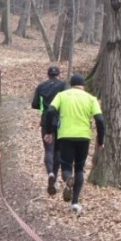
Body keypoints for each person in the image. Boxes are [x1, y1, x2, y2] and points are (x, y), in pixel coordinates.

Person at [43, 74, 104, 214]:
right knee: (79, 168)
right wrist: (100, 141)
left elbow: (50, 111)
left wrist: (48, 131)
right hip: (83, 137)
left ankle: (68, 180)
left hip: (65, 136)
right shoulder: (91, 98)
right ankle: (75, 203)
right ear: (83, 85)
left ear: (71, 85)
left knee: (66, 166)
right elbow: (100, 120)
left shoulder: (62, 95)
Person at [31, 65, 68, 195]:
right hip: (59, 120)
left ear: (48, 75)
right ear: (59, 74)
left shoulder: (41, 86)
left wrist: (44, 106)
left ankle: (50, 173)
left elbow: (34, 104)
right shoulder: (63, 85)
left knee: (48, 149)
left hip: (46, 120)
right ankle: (55, 178)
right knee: (57, 150)